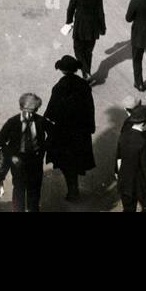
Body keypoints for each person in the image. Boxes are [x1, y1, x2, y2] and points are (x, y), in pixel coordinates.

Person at [45, 55, 95, 202]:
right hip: (81, 131)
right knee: (77, 159)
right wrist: (89, 127)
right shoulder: (84, 85)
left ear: (61, 70)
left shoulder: (59, 87)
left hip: (64, 132)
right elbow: (90, 108)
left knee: (67, 163)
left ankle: (73, 191)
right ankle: (74, 190)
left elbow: (51, 112)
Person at [0, 93, 48, 212]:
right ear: (21, 108)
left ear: (37, 109)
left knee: (34, 189)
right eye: (27, 110)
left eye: (33, 111)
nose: (30, 114)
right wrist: (12, 156)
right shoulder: (13, 122)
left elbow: (54, 134)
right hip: (18, 161)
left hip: (35, 160)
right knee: (19, 188)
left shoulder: (40, 121)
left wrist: (43, 149)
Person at [63, 0, 106, 81]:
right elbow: (100, 12)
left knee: (78, 50)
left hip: (80, 27)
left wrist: (68, 22)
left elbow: (70, 9)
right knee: (88, 52)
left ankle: (86, 72)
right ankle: (86, 73)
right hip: (93, 27)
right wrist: (103, 28)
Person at [115, 103, 146, 212]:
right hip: (139, 184)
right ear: (144, 124)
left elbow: (118, 156)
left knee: (128, 209)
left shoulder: (124, 135)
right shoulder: (143, 143)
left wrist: (117, 172)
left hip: (124, 181)